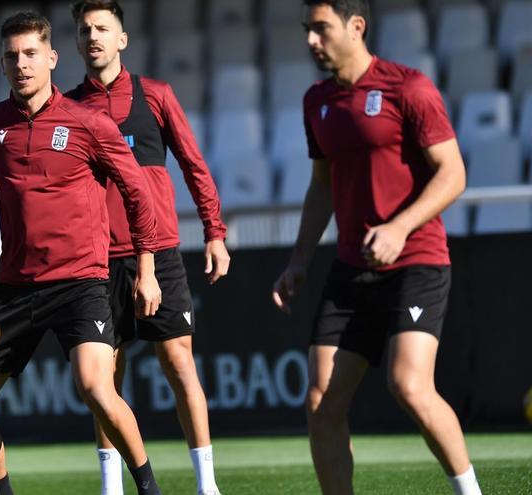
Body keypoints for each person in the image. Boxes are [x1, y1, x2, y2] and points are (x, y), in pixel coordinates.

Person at [271, 2, 482, 494]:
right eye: (307, 29)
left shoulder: (408, 87)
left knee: (409, 384)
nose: (310, 40)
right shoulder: (315, 101)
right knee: (321, 400)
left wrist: (399, 228)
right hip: (350, 270)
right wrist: (299, 261)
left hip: (416, 261)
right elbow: (321, 185)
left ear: (356, 26)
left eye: (320, 28)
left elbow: (453, 174)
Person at [0, 11, 164, 495]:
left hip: (81, 283)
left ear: (51, 58)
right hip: (15, 288)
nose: (21, 64)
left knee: (96, 388)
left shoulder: (89, 122)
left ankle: (150, 489)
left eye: (30, 54)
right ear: (2, 64)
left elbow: (137, 192)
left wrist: (146, 269)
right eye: (11, 56)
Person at [64, 2, 230, 494]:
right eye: (84, 29)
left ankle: (207, 486)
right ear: (75, 42)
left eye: (102, 28)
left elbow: (194, 166)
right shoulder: (68, 109)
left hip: (159, 251)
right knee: (104, 378)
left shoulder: (155, 96)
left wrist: (215, 233)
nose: (92, 36)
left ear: (122, 39)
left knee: (179, 364)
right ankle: (112, 488)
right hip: (96, 261)